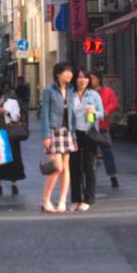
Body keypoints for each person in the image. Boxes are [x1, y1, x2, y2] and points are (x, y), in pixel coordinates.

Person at [41, 62, 77, 213]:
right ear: (58, 74)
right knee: (57, 167)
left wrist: (73, 135)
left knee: (66, 167)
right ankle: (45, 199)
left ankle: (62, 200)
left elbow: (72, 114)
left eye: (70, 72)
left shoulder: (70, 91)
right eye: (66, 72)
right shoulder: (49, 90)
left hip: (67, 131)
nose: (69, 74)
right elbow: (45, 114)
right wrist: (46, 135)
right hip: (53, 131)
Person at [70, 69, 104, 212]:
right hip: (74, 133)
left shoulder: (94, 95)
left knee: (89, 167)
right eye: (79, 77)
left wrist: (94, 113)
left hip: (89, 133)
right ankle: (76, 199)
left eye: (85, 78)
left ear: (89, 80)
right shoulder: (70, 94)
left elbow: (101, 114)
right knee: (74, 167)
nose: (82, 80)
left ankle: (88, 199)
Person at [0, 87, 26, 196]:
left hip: (11, 134)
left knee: (13, 158)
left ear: (2, 97)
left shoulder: (12, 102)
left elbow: (17, 117)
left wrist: (6, 112)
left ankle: (14, 184)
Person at [90, 70, 120, 188]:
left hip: (102, 127)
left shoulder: (107, 91)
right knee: (89, 154)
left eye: (92, 78)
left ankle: (113, 176)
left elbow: (113, 103)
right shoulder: (87, 93)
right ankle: (90, 177)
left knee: (107, 151)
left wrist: (106, 111)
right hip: (90, 128)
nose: (90, 80)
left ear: (98, 79)